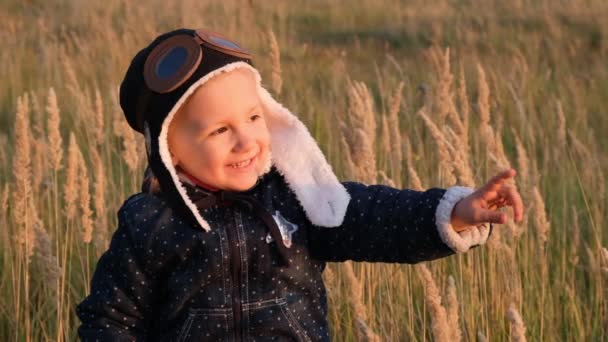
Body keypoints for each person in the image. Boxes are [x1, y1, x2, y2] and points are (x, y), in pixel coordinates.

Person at [76, 28, 524, 341]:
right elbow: (111, 318)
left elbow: (373, 217)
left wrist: (454, 213)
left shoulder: (294, 196)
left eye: (253, 117)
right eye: (219, 131)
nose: (246, 140)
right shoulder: (150, 223)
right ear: (170, 151)